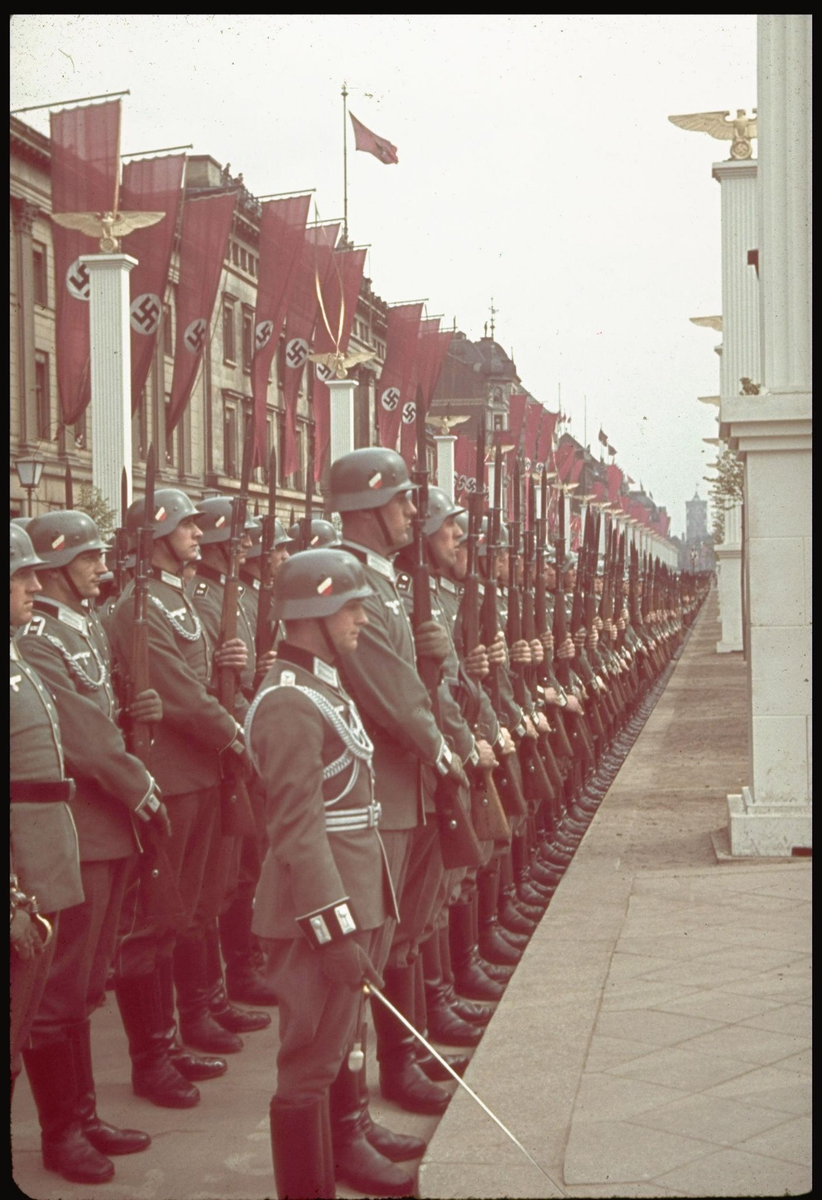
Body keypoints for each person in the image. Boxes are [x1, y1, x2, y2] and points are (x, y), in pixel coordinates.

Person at [248, 549, 420, 1198]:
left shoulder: (323, 685)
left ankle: (338, 1158)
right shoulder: (289, 702)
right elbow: (297, 830)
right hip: (317, 911)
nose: (359, 619)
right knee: (307, 1067)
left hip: (356, 895)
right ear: (314, 612)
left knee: (338, 1044)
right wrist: (333, 932)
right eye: (349, 607)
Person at [17, 510, 168, 1184]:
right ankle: (61, 1132)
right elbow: (79, 732)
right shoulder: (42, 636)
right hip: (77, 828)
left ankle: (84, 1112)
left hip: (104, 827)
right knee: (59, 986)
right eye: (85, 558)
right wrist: (137, 782)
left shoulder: (69, 627)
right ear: (53, 568)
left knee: (82, 985)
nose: (99, 567)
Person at [330, 448, 470, 1117]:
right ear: (366, 507)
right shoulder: (349, 582)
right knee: (368, 947)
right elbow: (390, 692)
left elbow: (419, 684)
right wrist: (446, 755)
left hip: (406, 786)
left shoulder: (384, 581)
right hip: (377, 793)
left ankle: (402, 1063)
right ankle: (357, 1103)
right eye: (403, 500)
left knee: (404, 936)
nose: (415, 511)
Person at [106, 487, 249, 1108]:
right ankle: (152, 1058)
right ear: (156, 536)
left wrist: (234, 665)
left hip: (202, 775)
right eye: (185, 525)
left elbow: (203, 677)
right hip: (170, 775)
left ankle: (177, 1035)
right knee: (155, 923)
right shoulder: (138, 607)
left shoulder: (183, 599)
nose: (198, 532)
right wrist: (234, 733)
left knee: (189, 913)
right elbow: (179, 693)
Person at [183, 495, 276, 1037]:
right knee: (217, 880)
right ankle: (215, 989)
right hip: (220, 746)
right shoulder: (200, 595)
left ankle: (236, 973)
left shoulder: (236, 592)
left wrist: (257, 669)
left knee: (242, 868)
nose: (246, 544)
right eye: (237, 535)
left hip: (241, 733)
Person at [10, 525, 84, 1103]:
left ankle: (67, 1124)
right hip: (21, 877)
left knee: (36, 1007)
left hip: (43, 857)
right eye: (21, 576)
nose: (35, 585)